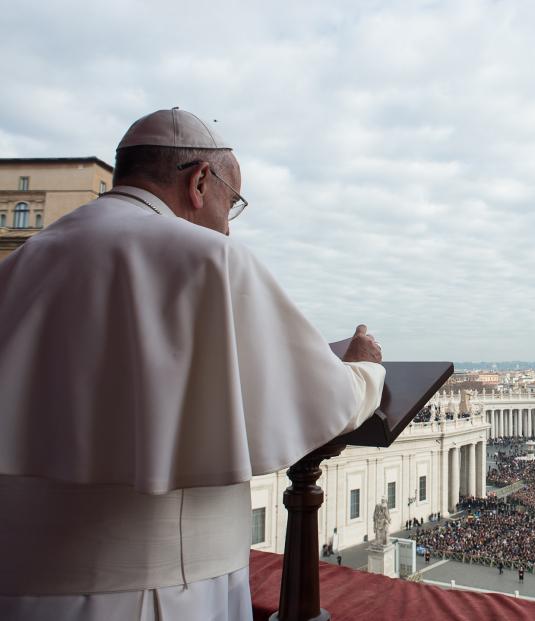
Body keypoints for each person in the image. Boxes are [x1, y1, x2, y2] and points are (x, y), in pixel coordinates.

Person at [0, 108, 386, 621]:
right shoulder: (209, 260)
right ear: (200, 181)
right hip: (158, 591)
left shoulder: (22, 262)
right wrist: (363, 370)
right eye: (233, 204)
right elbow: (321, 399)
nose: (227, 226)